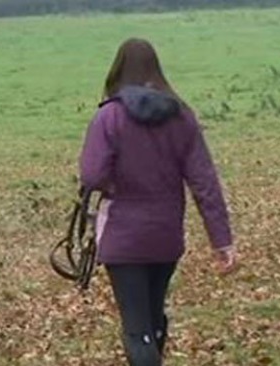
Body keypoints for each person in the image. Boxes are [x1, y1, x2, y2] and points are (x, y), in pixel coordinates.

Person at [78, 38, 237, 366]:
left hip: (123, 236)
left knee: (137, 330)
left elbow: (91, 176)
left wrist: (112, 183)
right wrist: (221, 239)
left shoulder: (109, 117)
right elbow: (204, 181)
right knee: (153, 318)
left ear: (118, 69)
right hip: (166, 235)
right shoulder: (182, 117)